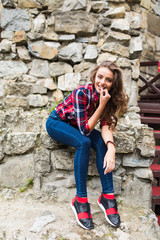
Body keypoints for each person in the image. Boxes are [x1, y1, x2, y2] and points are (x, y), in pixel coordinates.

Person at [46, 61, 128, 230]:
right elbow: (84, 130)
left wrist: (111, 148)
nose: (102, 82)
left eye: (108, 80)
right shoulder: (81, 93)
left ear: (113, 83)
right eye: (100, 77)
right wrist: (102, 104)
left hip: (78, 126)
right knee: (84, 142)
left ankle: (108, 196)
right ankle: (80, 200)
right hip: (57, 123)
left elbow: (105, 127)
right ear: (94, 76)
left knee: (102, 143)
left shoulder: (107, 98)